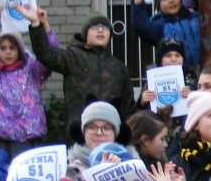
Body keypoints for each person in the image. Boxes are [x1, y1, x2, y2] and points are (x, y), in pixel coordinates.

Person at [29, 8, 135, 138]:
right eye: (95, 26)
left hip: (111, 136)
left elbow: (128, 109)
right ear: (85, 33)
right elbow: (46, 54)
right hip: (79, 135)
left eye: (105, 27)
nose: (101, 30)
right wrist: (36, 24)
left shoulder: (119, 68)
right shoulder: (73, 58)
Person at [0, 2, 57, 157]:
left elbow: (50, 54)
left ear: (19, 50)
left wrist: (42, 24)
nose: (7, 52)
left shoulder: (32, 70)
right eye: (3, 48)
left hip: (31, 140)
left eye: (12, 48)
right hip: (2, 141)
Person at [130, 0, 200, 67]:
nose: (171, 0)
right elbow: (140, 25)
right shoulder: (159, 26)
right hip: (175, 75)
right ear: (158, 5)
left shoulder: (196, 18)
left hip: (204, 74)